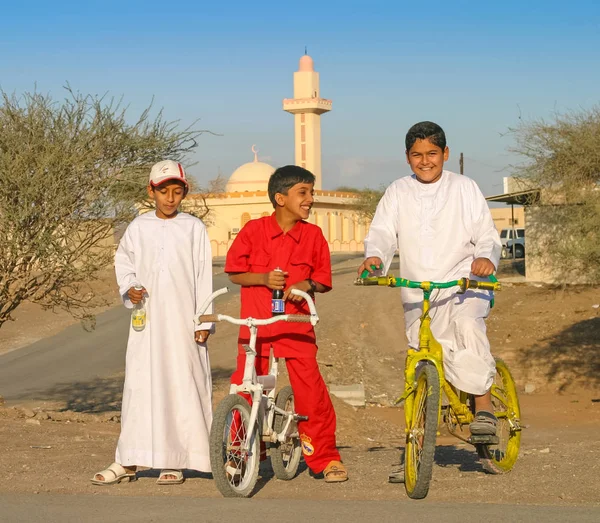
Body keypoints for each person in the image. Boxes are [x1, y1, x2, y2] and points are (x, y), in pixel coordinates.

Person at [358, 121, 502, 438]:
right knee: (418, 357)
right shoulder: (398, 191)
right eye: (417, 154)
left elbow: (487, 236)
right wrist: (375, 258)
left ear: (445, 153)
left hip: (465, 285)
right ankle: (415, 447)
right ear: (407, 157)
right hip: (418, 289)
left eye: (432, 153)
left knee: (466, 329)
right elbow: (382, 233)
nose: (425, 161)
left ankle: (485, 407)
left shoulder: (464, 187)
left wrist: (484, 259)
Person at [92, 160, 214, 486]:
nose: (170, 198)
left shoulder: (193, 228)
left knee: (180, 383)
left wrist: (203, 319)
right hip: (146, 321)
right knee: (140, 386)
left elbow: (203, 275)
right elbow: (125, 264)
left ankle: (175, 460)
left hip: (183, 321)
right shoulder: (138, 227)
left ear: (184, 192)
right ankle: (129, 458)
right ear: (151, 191)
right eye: (164, 191)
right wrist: (128, 288)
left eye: (177, 191)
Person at [224, 165, 348, 483]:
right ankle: (241, 452)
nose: (310, 199)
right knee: (245, 388)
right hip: (257, 328)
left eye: (311, 192)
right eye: (302, 193)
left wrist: (307, 284)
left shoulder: (313, 235)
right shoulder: (253, 231)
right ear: (281, 198)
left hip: (295, 327)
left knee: (311, 393)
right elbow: (235, 272)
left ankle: (325, 457)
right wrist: (263, 278)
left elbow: (322, 281)